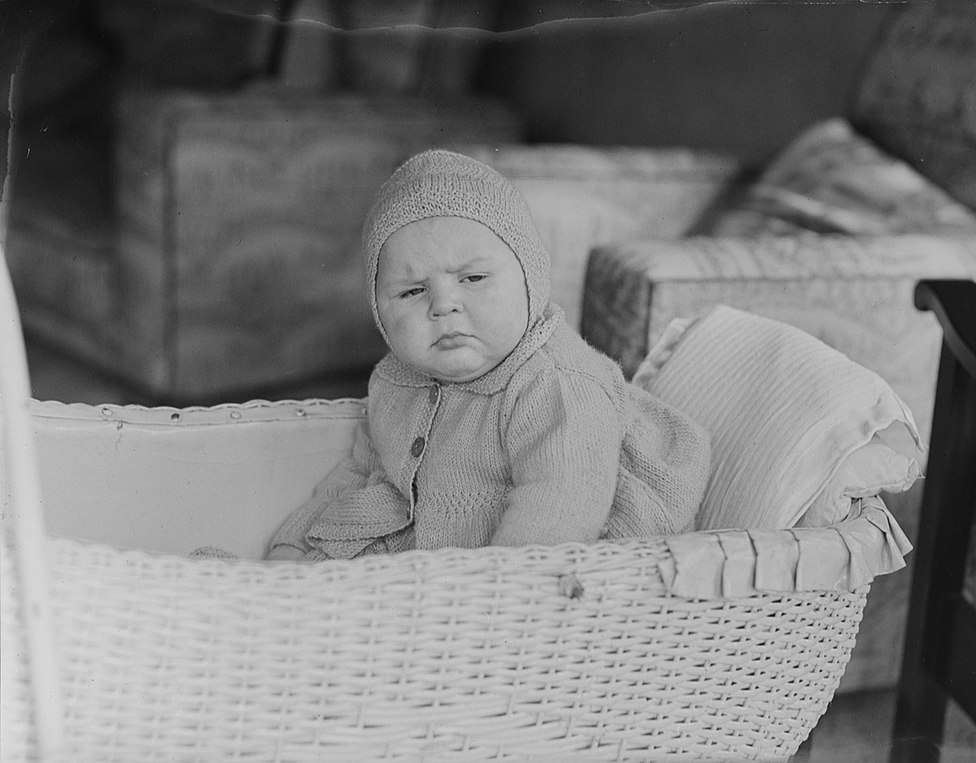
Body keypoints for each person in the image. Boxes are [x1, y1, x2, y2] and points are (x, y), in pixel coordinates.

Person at [267, 149, 710, 561]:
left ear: (529, 277)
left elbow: (558, 509)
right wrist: (296, 547)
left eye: (474, 278)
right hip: (442, 554)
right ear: (378, 310)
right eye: (411, 291)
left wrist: (491, 603)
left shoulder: (556, 382)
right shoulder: (394, 380)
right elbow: (360, 474)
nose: (443, 305)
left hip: (552, 569)